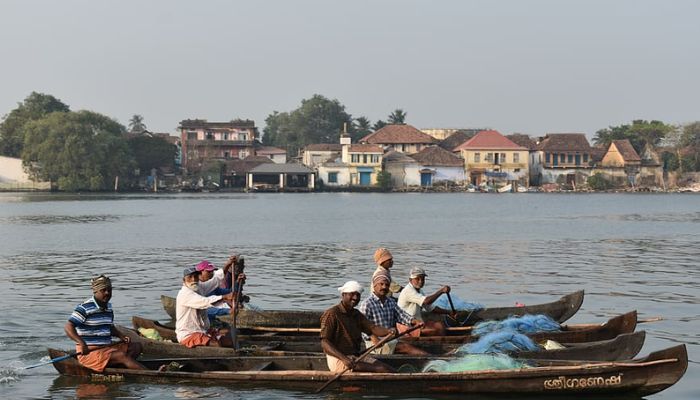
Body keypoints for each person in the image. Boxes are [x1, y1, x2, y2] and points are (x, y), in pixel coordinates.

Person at [64, 275, 145, 372]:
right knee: (121, 356)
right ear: (96, 292)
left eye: (109, 290)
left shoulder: (108, 307)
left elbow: (109, 327)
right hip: (89, 353)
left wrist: (122, 336)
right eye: (103, 290)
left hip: (106, 348)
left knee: (136, 347)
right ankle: (153, 373)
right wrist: (82, 344)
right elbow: (68, 327)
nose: (107, 293)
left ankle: (120, 367)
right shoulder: (84, 308)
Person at [320, 281, 397, 373]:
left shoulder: (356, 314)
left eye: (358, 295)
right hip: (338, 359)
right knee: (381, 370)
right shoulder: (332, 314)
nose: (355, 298)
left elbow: (373, 328)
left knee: (388, 368)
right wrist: (344, 359)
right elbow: (324, 342)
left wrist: (388, 331)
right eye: (352, 294)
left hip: (355, 357)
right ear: (343, 295)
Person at [358, 272, 427, 355]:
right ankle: (432, 359)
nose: (384, 287)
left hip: (390, 340)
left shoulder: (390, 301)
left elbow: (402, 316)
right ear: (374, 285)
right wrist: (373, 337)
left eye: (387, 285)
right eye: (381, 284)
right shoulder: (367, 304)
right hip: (374, 345)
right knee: (406, 347)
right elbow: (361, 327)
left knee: (408, 345)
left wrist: (415, 321)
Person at [175, 262, 238, 348]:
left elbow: (215, 280)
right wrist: (225, 298)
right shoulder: (185, 294)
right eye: (190, 277)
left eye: (196, 277)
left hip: (204, 331)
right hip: (188, 334)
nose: (193, 280)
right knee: (216, 345)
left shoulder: (198, 288)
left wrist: (228, 264)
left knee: (227, 341)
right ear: (184, 280)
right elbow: (205, 302)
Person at [397, 266, 453, 336]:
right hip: (407, 326)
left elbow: (430, 308)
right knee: (436, 330)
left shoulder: (419, 291)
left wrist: (449, 312)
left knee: (440, 325)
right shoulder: (408, 291)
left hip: (418, 323)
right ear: (410, 280)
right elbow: (426, 301)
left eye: (423, 279)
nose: (421, 281)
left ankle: (440, 342)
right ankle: (440, 344)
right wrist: (441, 291)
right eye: (417, 279)